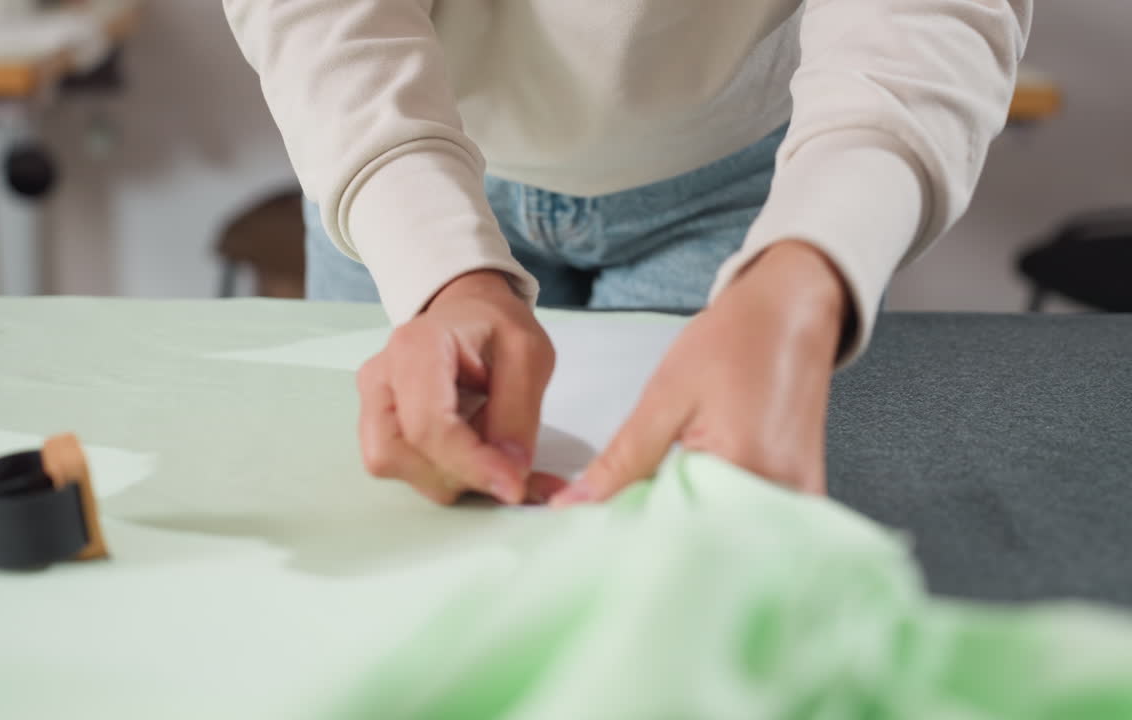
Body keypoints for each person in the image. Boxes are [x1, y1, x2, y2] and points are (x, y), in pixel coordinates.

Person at [224, 0, 1031, 506]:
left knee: (703, 546)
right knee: (408, 521)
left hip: (749, 187)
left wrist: (802, 276)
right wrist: (440, 274)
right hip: (408, 160)